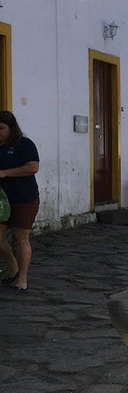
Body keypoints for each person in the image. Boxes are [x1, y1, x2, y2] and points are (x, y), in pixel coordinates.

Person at [0, 109, 40, 292]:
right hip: (2, 200)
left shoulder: (24, 144)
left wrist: (5, 173)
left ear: (11, 128)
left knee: (20, 238)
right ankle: (13, 267)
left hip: (23, 198)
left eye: (1, 128)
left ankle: (22, 277)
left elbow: (32, 167)